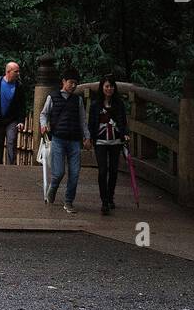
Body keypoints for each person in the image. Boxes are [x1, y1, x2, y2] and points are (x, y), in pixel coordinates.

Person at [40, 69, 91, 214]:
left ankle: (68, 201)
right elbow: (44, 114)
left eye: (76, 83)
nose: (73, 86)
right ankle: (53, 188)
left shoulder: (78, 100)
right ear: (63, 82)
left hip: (74, 141)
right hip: (58, 139)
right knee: (59, 172)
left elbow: (83, 120)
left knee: (74, 173)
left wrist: (87, 137)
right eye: (71, 82)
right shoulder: (53, 97)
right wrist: (43, 125)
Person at [88, 74, 129, 215]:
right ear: (102, 87)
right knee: (102, 170)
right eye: (106, 86)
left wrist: (125, 133)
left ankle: (110, 197)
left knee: (113, 170)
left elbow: (123, 121)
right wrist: (89, 137)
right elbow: (91, 123)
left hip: (115, 141)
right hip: (100, 141)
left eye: (111, 86)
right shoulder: (95, 104)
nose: (109, 89)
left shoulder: (119, 104)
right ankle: (104, 200)